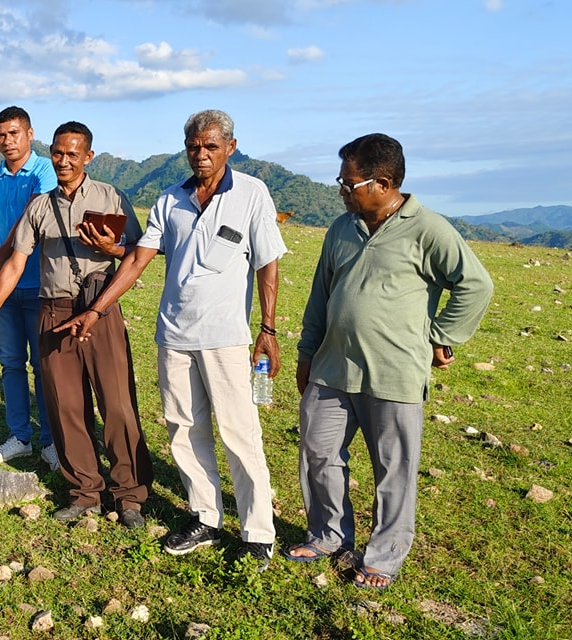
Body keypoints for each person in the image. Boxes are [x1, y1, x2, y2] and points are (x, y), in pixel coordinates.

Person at [56, 110, 284, 568]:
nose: (201, 155)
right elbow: (138, 260)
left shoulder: (251, 193)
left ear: (230, 148)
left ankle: (258, 532)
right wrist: (96, 310)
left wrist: (269, 329)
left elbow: (267, 263)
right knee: (184, 429)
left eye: (211, 147)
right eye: (194, 147)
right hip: (175, 335)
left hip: (226, 338)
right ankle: (205, 517)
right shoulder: (170, 199)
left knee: (240, 433)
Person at [291, 133, 493, 589]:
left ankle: (382, 557)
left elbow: (475, 285)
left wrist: (443, 336)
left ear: (382, 183)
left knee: (392, 470)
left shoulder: (429, 229)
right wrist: (307, 351)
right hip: (332, 367)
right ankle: (328, 536)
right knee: (319, 453)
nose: (342, 190)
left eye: (349, 183)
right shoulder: (342, 229)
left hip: (395, 371)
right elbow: (320, 295)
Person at [0, 121, 153, 529]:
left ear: (88, 156)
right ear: (50, 152)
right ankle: (85, 492)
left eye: (73, 154)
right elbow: (16, 261)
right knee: (66, 407)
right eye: (58, 153)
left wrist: (113, 247)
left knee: (118, 405)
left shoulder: (111, 196)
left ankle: (130, 496)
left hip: (100, 308)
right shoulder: (40, 207)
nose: (64, 161)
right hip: (52, 312)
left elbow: (138, 252)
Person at [0, 106, 58, 469]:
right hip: (1, 289)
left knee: (44, 365)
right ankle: (19, 436)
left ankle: (51, 441)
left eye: (14, 133)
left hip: (39, 283)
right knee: (10, 364)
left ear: (30, 134)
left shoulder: (44, 171)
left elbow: (29, 220)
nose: (7, 141)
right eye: (1, 135)